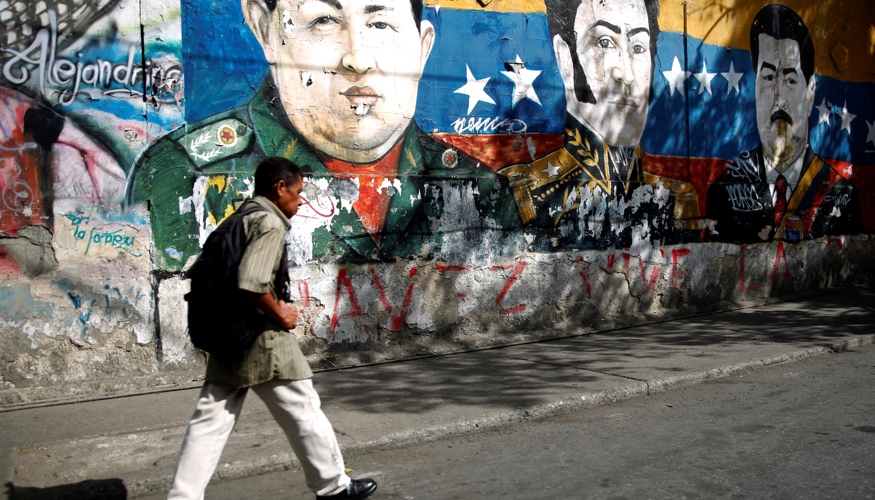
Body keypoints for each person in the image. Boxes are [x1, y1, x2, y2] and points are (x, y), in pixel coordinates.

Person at [127, 0, 519, 271]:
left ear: (423, 47)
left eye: (380, 23)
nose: (357, 59)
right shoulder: (181, 174)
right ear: (266, 31)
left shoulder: (481, 189)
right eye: (323, 21)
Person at [167, 157, 377, 500]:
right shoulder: (268, 222)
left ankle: (182, 497)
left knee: (210, 420)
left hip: (228, 334)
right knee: (303, 409)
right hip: (261, 336)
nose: (300, 200)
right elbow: (252, 283)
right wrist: (281, 313)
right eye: (298, 192)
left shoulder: (239, 218)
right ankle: (334, 487)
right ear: (280, 188)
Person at [499, 0, 699, 250]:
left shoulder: (676, 200)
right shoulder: (527, 194)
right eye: (605, 43)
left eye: (638, 47)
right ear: (564, 57)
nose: (626, 73)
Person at [705, 4, 862, 243]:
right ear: (755, 88)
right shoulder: (722, 193)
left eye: (790, 79)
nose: (779, 99)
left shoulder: (841, 194)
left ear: (810, 94)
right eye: (768, 78)